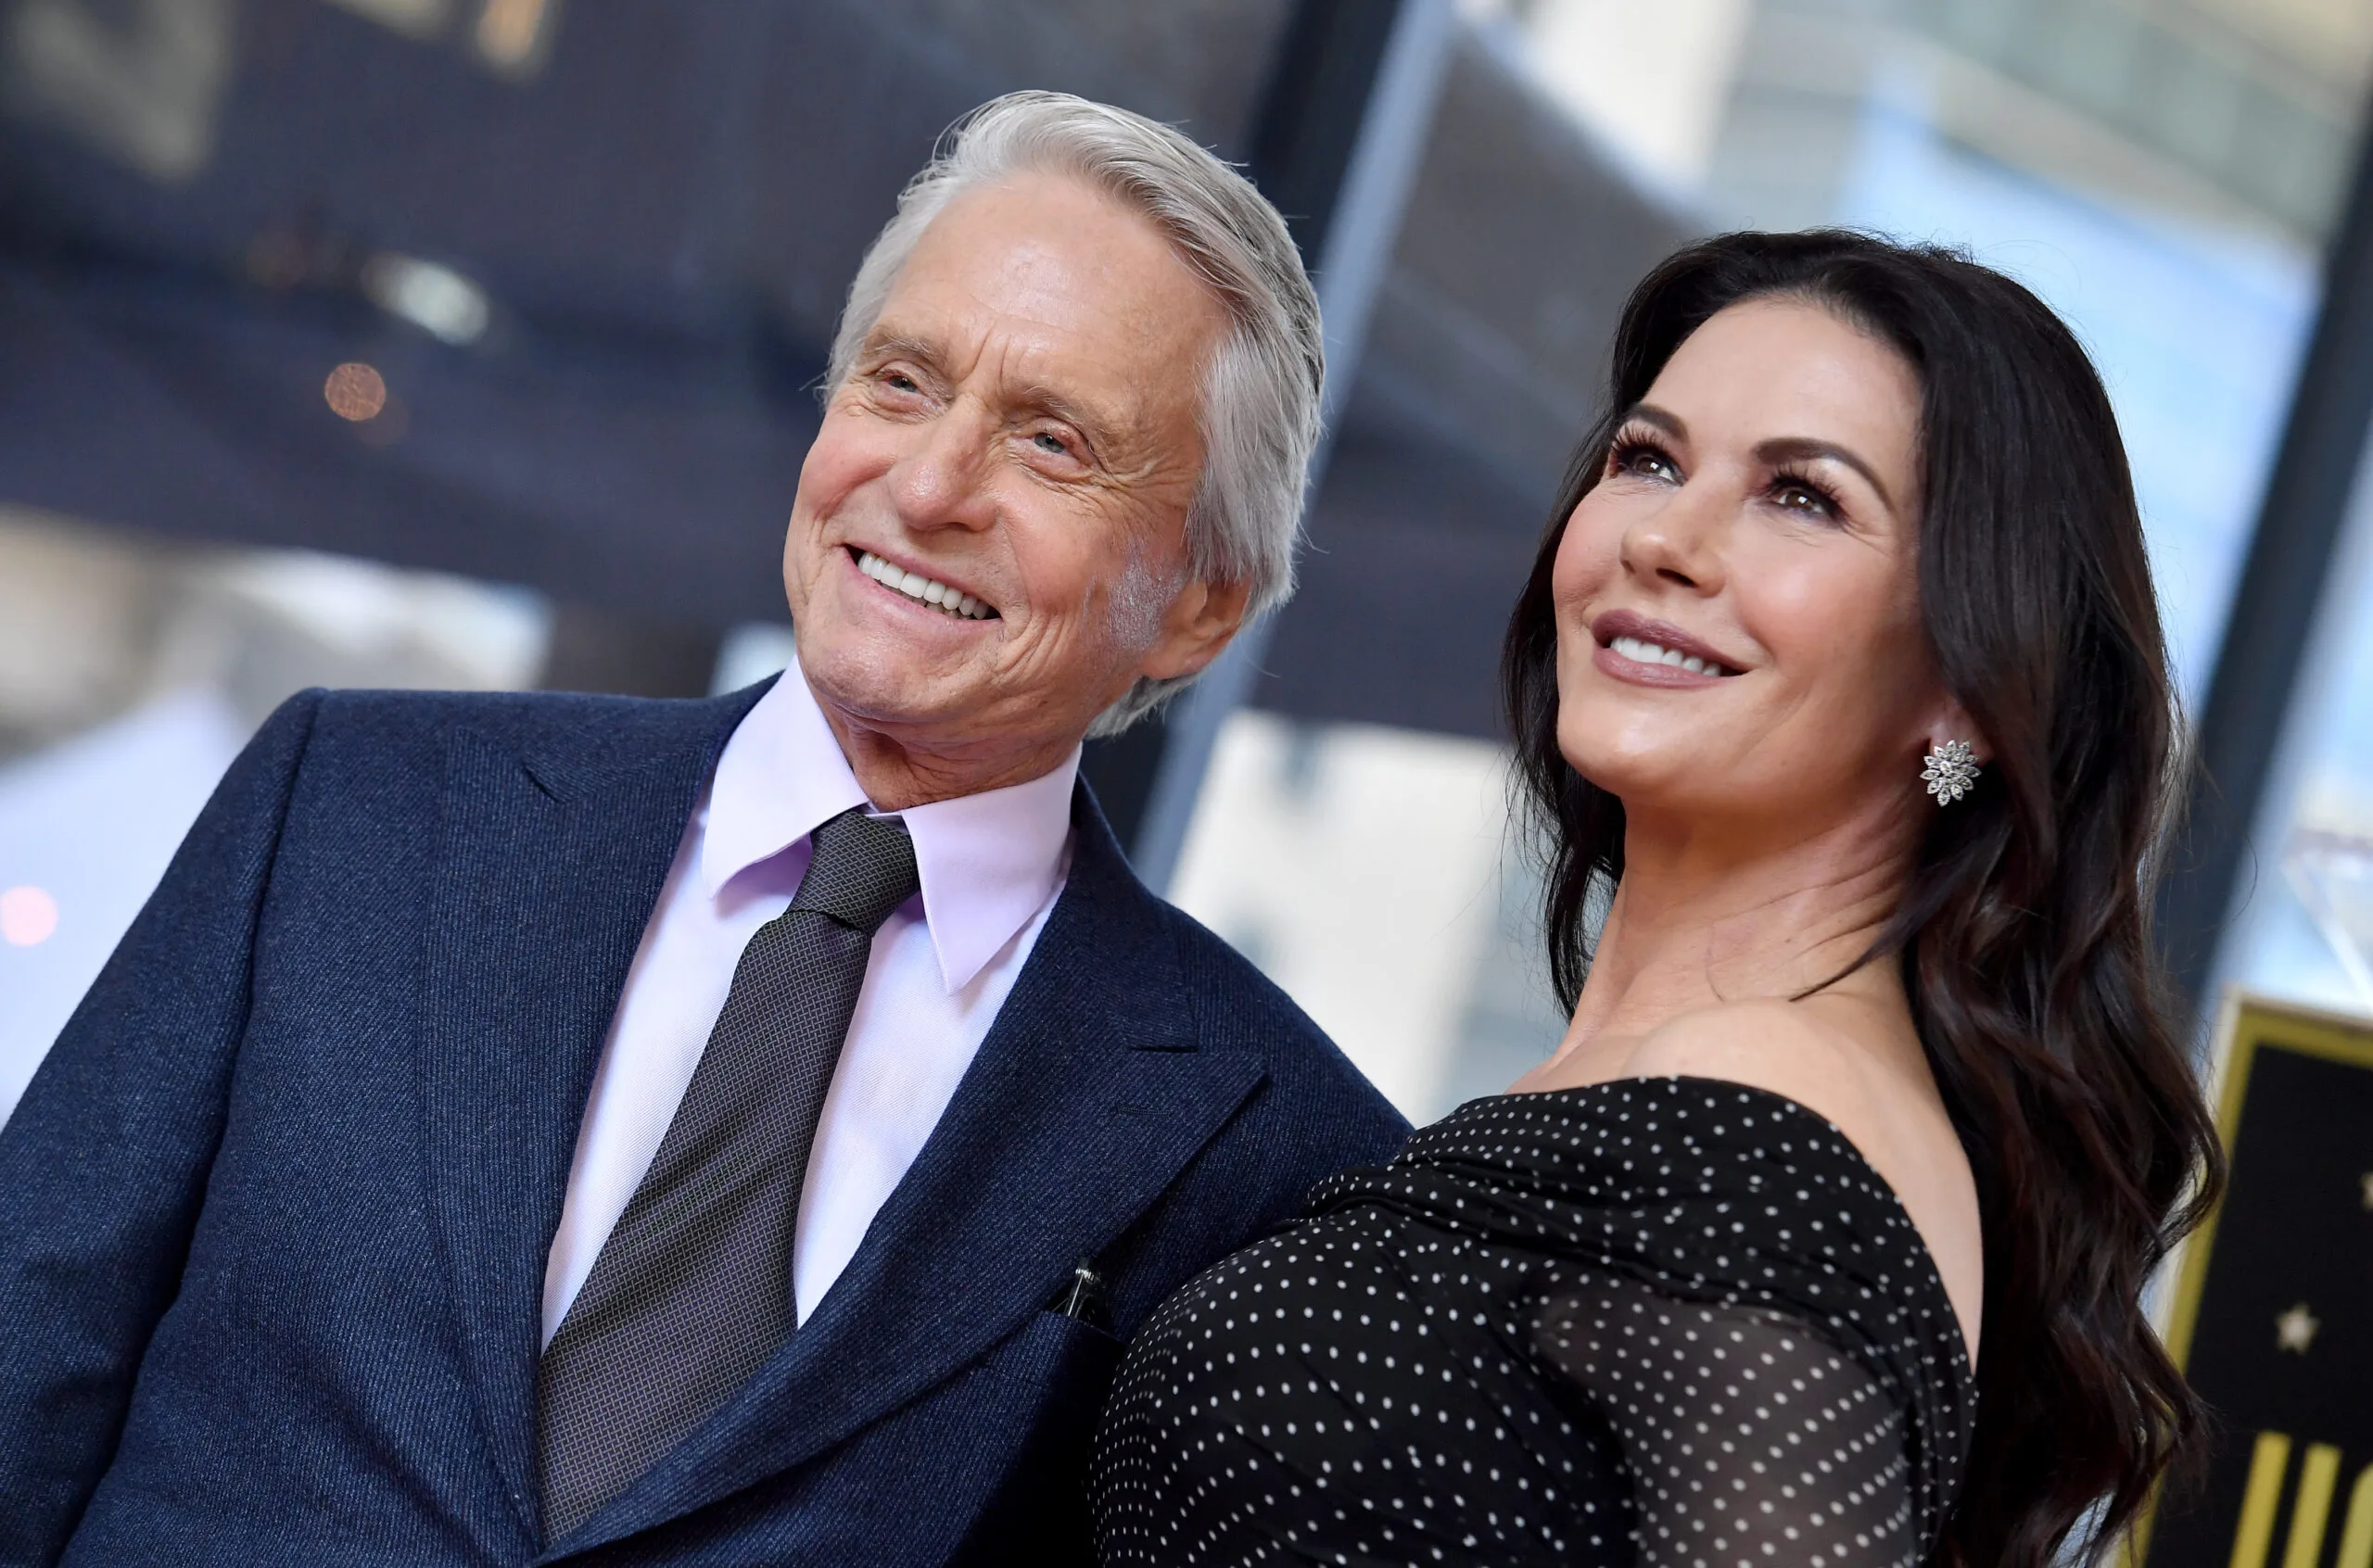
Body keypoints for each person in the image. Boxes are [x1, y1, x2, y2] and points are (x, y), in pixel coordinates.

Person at [0, 92, 1406, 1565]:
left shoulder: (1277, 1163)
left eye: (1052, 443)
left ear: (1199, 605)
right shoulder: (352, 806)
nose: (928, 488)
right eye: (902, 384)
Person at [1092, 231, 2224, 1568]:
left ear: (1967, 680)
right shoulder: (1667, 1106)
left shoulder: (1760, 1133)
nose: (1670, 540)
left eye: (1802, 496)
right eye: (1648, 458)